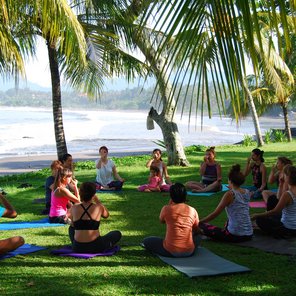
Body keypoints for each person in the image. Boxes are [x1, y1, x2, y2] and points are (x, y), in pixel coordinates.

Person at [142, 183, 200, 257]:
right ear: (185, 195)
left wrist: (170, 205)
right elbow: (196, 229)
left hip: (171, 251)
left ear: (171, 196)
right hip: (189, 252)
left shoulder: (166, 209)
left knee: (147, 240)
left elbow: (161, 221)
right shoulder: (192, 210)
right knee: (198, 236)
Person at [199, 164, 253, 242]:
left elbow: (215, 213)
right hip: (249, 234)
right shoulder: (247, 192)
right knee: (227, 222)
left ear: (230, 181)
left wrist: (200, 222)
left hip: (235, 235)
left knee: (202, 226)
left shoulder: (230, 194)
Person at [68, 182, 122, 253]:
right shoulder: (98, 207)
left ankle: (79, 243)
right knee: (117, 233)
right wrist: (97, 201)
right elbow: (106, 215)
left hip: (77, 247)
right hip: (95, 246)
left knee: (71, 228)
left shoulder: (74, 208)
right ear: (93, 194)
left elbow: (72, 224)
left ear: (81, 193)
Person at [252, 165, 296, 238]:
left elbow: (276, 211)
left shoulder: (288, 194)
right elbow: (278, 198)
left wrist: (257, 215)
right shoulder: (288, 193)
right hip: (292, 225)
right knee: (273, 215)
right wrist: (281, 184)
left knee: (260, 219)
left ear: (287, 176)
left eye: (283, 174)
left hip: (289, 228)